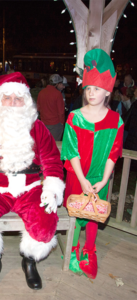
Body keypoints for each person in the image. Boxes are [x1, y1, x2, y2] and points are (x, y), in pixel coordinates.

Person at [0, 72, 65, 291]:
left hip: (30, 190)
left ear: (26, 101)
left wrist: (51, 189)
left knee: (45, 220)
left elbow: (53, 162)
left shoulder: (38, 128)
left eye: (18, 98)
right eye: (7, 97)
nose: (12, 103)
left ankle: (30, 261)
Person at [61, 48, 124, 279]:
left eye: (96, 88)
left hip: (99, 177)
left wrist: (104, 180)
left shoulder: (116, 120)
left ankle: (90, 250)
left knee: (94, 214)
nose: (91, 93)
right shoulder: (74, 117)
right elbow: (71, 151)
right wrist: (81, 179)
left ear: (107, 91)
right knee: (77, 212)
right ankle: (73, 249)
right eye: (88, 88)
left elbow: (113, 154)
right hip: (78, 175)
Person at [37, 74, 65, 141]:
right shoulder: (58, 94)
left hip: (44, 123)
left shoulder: (41, 93)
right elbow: (61, 111)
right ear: (57, 84)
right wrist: (62, 123)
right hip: (55, 124)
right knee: (55, 145)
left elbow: (38, 108)